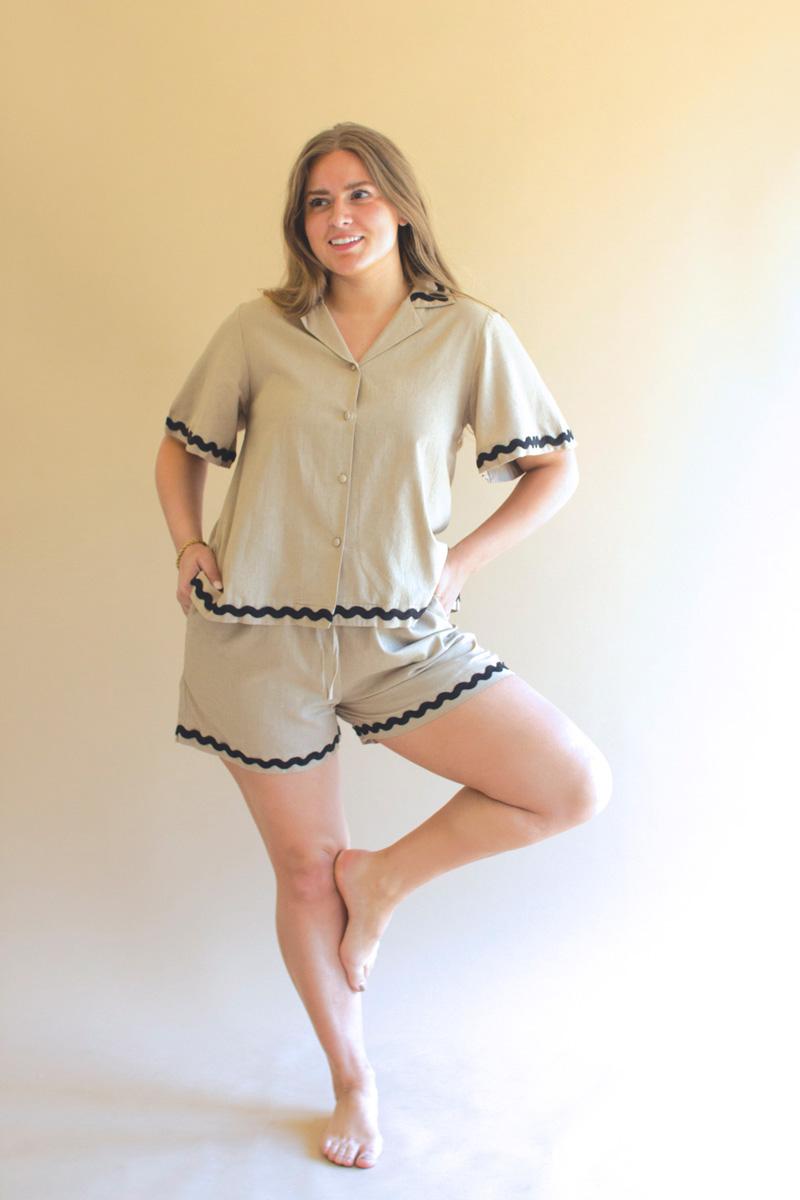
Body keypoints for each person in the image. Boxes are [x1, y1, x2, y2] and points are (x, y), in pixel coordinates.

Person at [154, 121, 612, 1171]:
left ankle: (388, 881)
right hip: (255, 643)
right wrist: (188, 541)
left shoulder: (469, 335)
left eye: (358, 194)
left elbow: (553, 468)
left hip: (399, 639)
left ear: (399, 206)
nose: (339, 217)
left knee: (568, 784)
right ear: (299, 224)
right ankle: (352, 1081)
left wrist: (463, 560)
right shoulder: (259, 330)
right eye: (318, 202)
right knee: (303, 871)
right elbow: (179, 452)